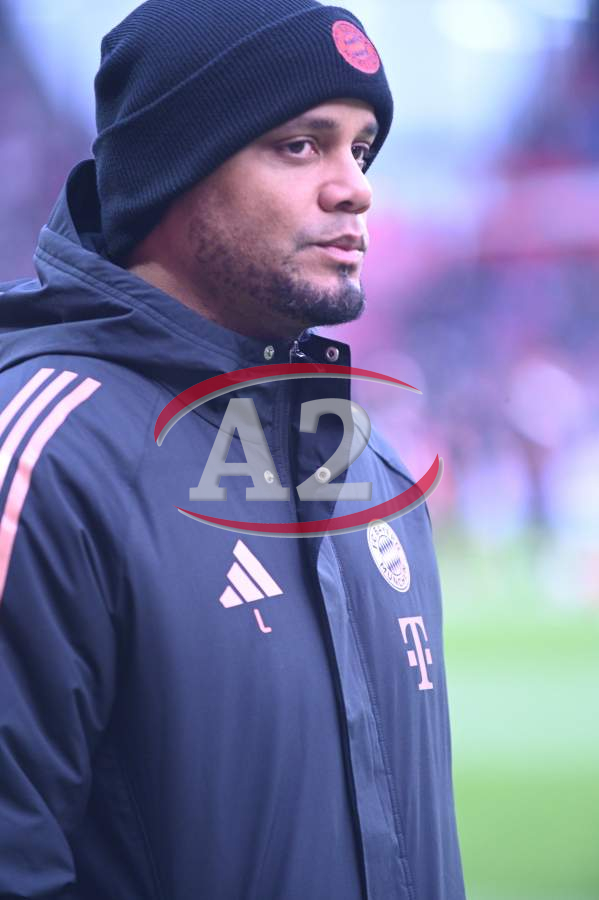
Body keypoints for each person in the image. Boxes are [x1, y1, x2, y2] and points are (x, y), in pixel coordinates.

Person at [0, 1, 465, 897]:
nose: (354, 187)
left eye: (361, 149)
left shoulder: (370, 468)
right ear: (173, 171)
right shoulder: (44, 455)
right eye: (301, 145)